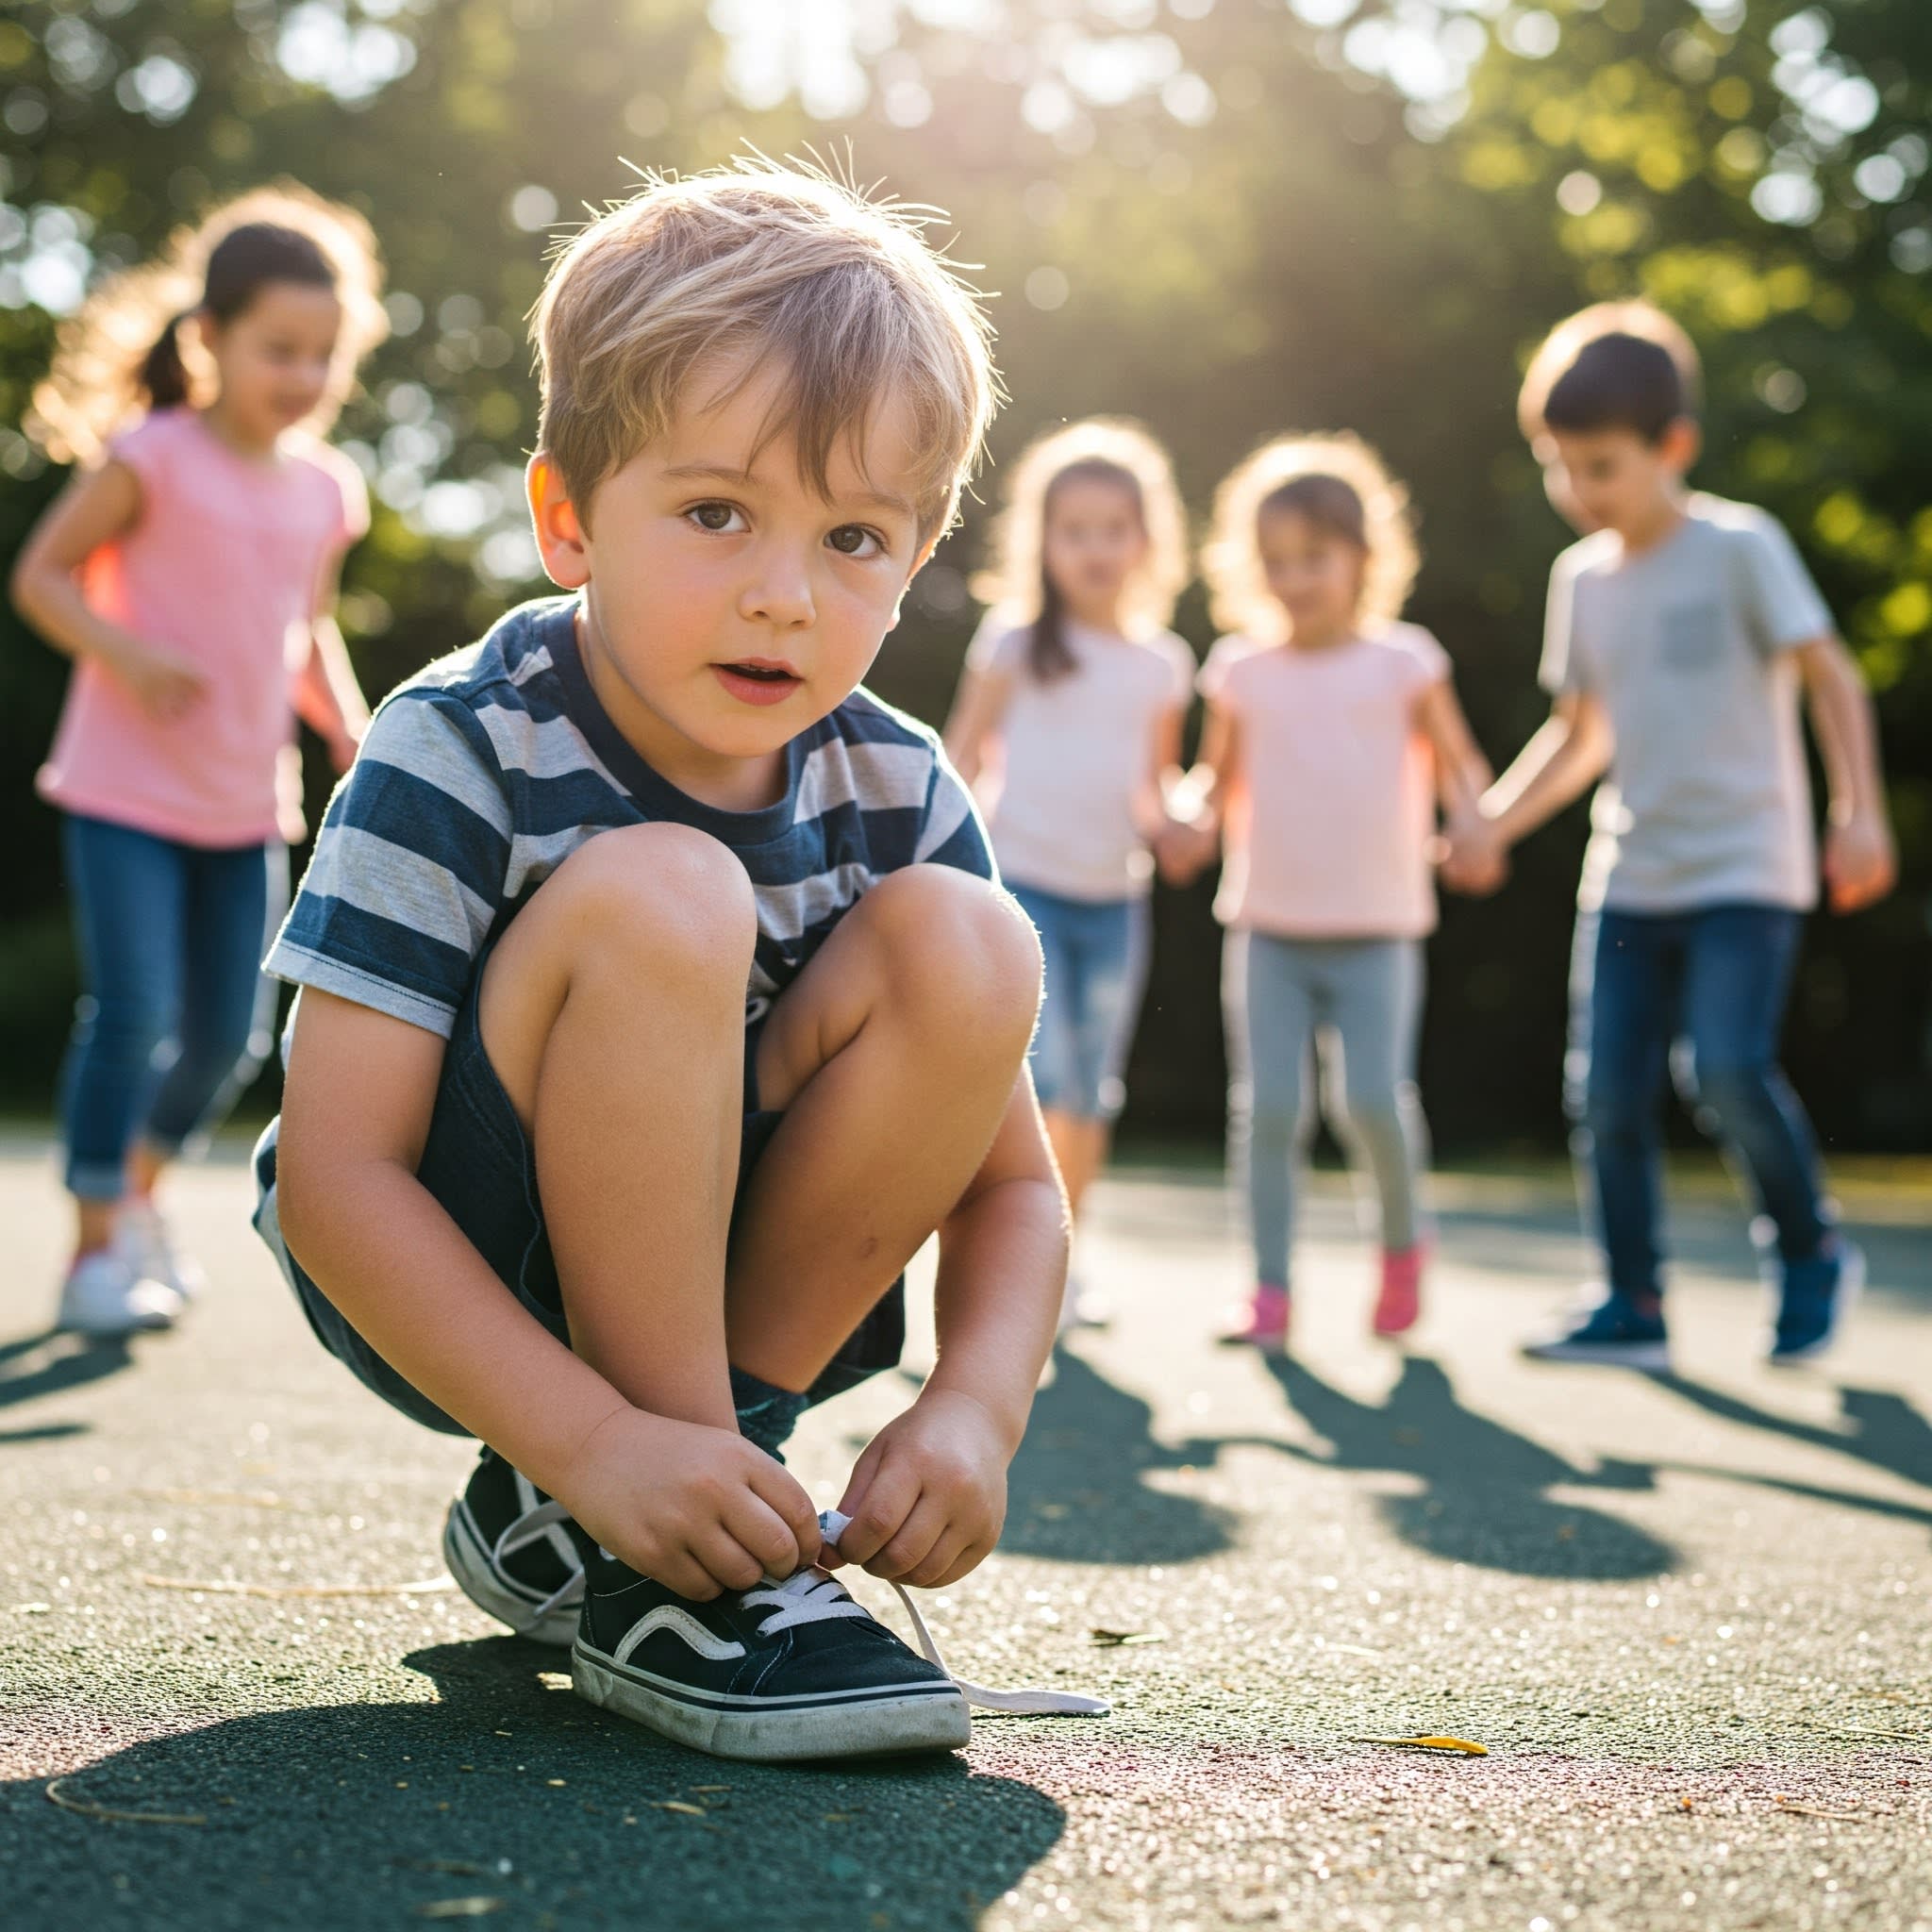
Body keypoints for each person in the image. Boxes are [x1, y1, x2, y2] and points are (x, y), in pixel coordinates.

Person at [251, 159, 1097, 1764]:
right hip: (455, 1257)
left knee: (970, 939)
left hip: (737, 1276)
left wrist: (975, 1409)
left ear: (917, 554)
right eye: (716, 514)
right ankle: (656, 1543)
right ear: (567, 518)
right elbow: (334, 1178)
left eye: (853, 536)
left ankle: (669, 1496)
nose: (784, 593)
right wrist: (596, 1439)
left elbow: (1012, 1188)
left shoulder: (897, 785)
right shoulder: (461, 741)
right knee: (667, 891)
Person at [1445, 301, 1896, 1369]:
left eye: (1600, 466)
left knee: (1727, 1069)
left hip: (1747, 867)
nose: (1578, 490)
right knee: (1605, 1093)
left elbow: (1830, 677)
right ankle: (1631, 1300)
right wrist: (1492, 821)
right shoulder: (1581, 581)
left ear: (1673, 447)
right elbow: (1580, 733)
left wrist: (1859, 810)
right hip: (1630, 873)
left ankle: (1810, 1250)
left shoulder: (1740, 547)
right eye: (1558, 467)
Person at [12, 186, 384, 1339]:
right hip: (122, 793)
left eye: (323, 353)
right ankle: (91, 1253)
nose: (304, 374)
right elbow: (41, 577)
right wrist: (127, 653)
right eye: (280, 348)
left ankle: (135, 1203)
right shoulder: (153, 457)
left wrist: (349, 723)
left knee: (229, 1035)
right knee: (133, 1011)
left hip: (245, 805)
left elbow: (303, 629)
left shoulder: (325, 489)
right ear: (210, 336)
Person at [1166, 434, 1494, 1353]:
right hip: (1266, 927)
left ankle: (1402, 1245)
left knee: (1371, 1102)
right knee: (1270, 1109)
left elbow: (1462, 767)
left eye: (1314, 556)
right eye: (1275, 560)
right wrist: (1187, 820)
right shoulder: (1240, 670)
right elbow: (1210, 781)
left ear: (1361, 557)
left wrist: (1473, 822)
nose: (1294, 577)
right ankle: (1268, 1291)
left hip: (1377, 929)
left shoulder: (1405, 662)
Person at [941, 420, 1194, 1327]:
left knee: (1089, 1093)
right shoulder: (1013, 643)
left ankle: (1060, 1264)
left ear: (1146, 541)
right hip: (1024, 891)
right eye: (1075, 530)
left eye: (1114, 530)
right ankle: (993, 1261)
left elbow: (1157, 788)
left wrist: (1181, 825)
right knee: (1038, 1082)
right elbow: (961, 758)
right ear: (1042, 542)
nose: (1095, 548)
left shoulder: (1162, 663)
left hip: (1116, 901)